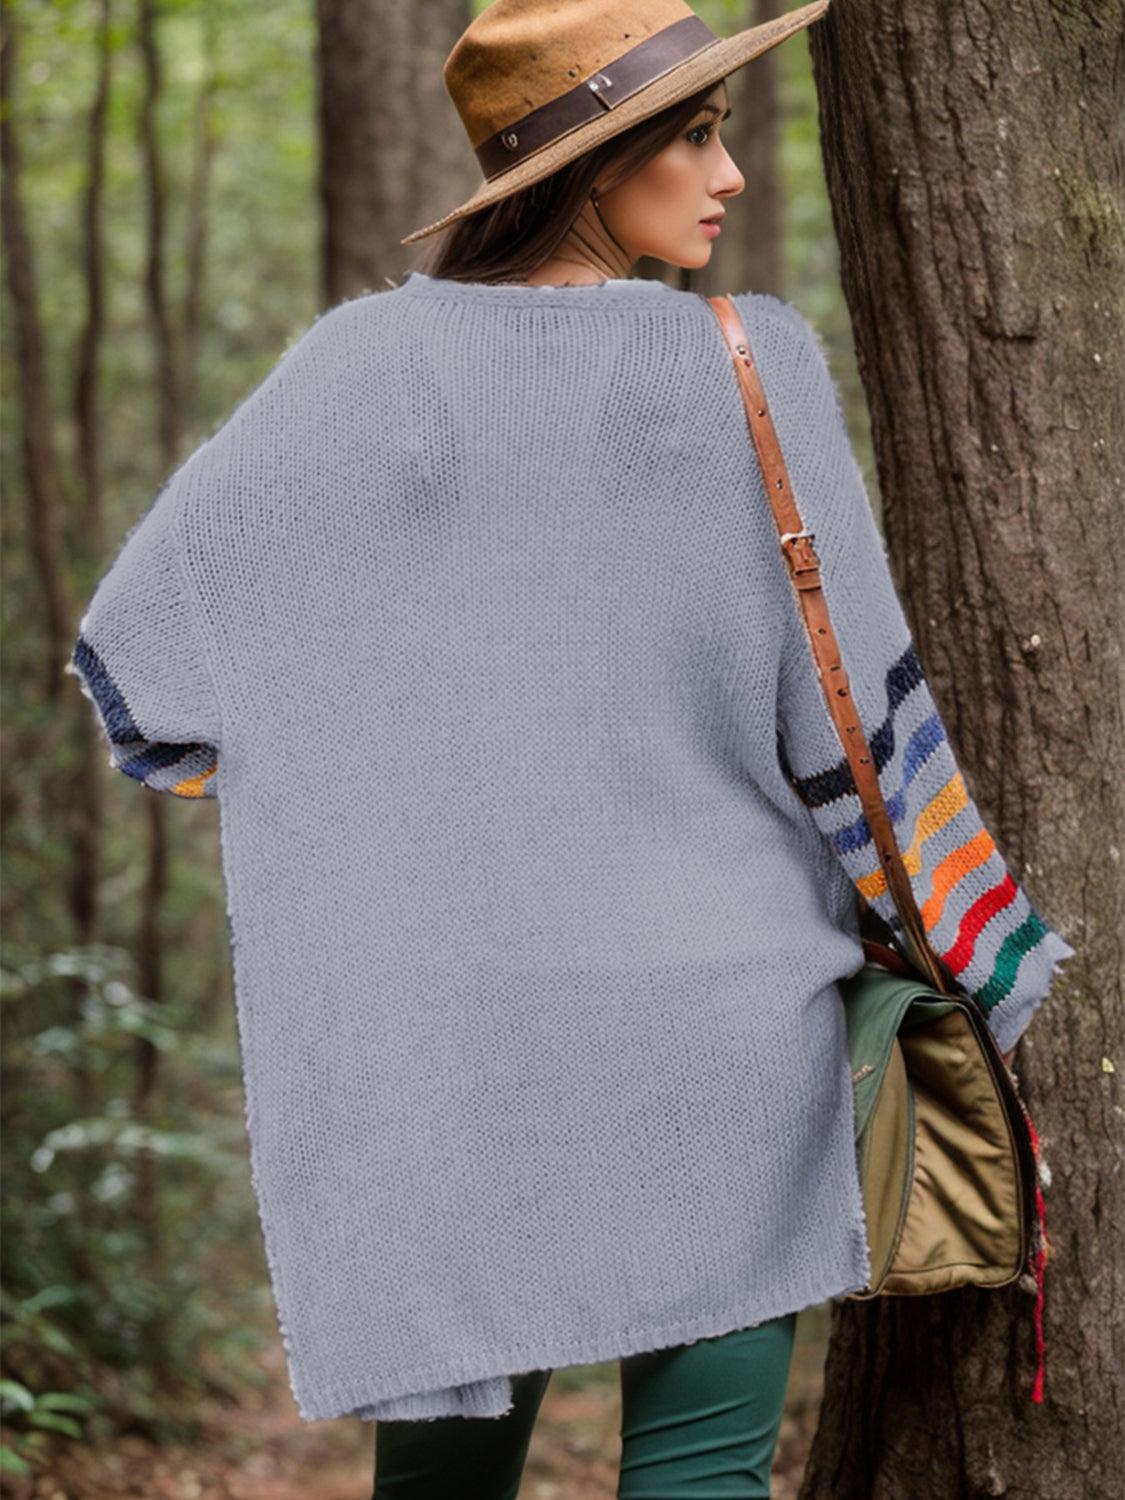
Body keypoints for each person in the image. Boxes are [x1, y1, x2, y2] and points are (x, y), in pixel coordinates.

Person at [68, 2, 1075, 1496]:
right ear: (591, 166)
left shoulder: (355, 371)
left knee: (442, 1490)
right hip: (726, 1028)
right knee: (703, 1478)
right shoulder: (751, 366)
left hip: (453, 1049)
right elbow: (854, 730)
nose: (727, 172)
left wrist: (374, 767)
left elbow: (141, 676)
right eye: (693, 137)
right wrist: (986, 966)